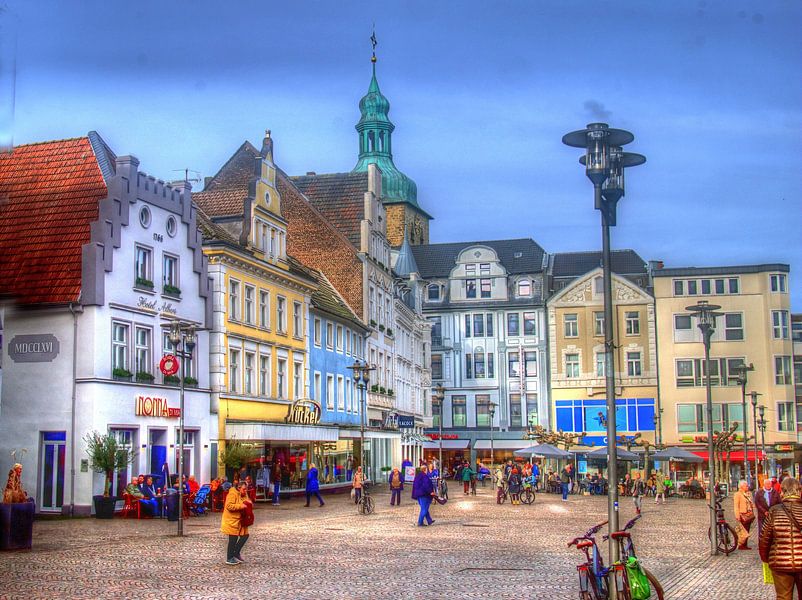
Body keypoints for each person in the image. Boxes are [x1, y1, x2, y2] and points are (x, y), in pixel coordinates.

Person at [760, 477, 802, 599]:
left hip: (780, 563)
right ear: (799, 491)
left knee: (783, 597)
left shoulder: (774, 511)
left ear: (782, 492)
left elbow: (764, 540)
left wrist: (766, 559)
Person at [221, 481, 252, 565]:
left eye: (246, 489)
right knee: (233, 539)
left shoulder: (244, 493)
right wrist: (241, 506)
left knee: (245, 535)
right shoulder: (232, 494)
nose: (245, 491)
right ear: (239, 488)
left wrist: (249, 503)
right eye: (244, 489)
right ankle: (229, 558)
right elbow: (229, 506)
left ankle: (236, 553)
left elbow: (247, 501)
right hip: (231, 520)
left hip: (241, 520)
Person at [733, 479, 755, 550]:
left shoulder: (748, 494)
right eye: (746, 486)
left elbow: (750, 504)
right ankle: (741, 544)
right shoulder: (737, 494)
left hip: (749, 515)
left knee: (747, 530)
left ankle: (745, 544)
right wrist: (737, 516)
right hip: (742, 515)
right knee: (743, 531)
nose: (747, 487)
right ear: (741, 487)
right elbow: (736, 506)